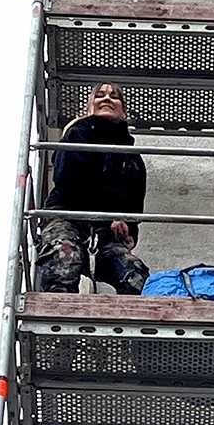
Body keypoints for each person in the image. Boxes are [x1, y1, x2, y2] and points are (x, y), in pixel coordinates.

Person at [36, 82, 150, 294]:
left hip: (106, 233)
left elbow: (134, 206)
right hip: (66, 217)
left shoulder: (132, 159)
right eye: (100, 95)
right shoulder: (76, 135)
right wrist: (111, 215)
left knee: (134, 274)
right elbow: (68, 179)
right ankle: (59, 307)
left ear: (123, 112)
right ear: (89, 108)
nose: (107, 98)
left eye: (114, 96)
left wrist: (129, 233)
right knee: (64, 257)